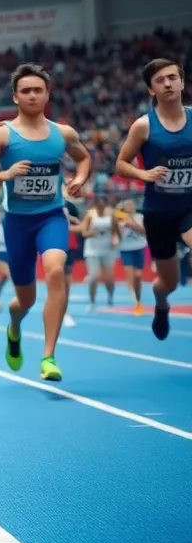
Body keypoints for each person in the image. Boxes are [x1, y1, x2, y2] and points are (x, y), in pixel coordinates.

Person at [0, 63, 90, 381]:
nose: (33, 95)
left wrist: (79, 178)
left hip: (52, 217)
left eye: (38, 90)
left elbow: (85, 157)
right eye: (26, 91)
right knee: (25, 299)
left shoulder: (63, 134)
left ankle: (48, 356)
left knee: (55, 272)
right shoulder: (3, 135)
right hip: (18, 224)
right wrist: (5, 174)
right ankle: (14, 327)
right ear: (15, 97)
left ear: (48, 94)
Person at [115, 58, 192, 341]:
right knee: (167, 283)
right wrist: (143, 173)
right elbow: (120, 164)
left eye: (173, 77)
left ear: (182, 82)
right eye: (160, 80)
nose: (168, 83)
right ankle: (161, 305)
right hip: (159, 213)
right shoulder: (143, 126)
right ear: (151, 90)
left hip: (189, 207)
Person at [80, 193, 119, 313]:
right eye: (99, 206)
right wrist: (93, 232)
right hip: (92, 250)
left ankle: (110, 298)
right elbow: (84, 233)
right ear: (95, 205)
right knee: (93, 277)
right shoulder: (90, 215)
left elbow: (115, 231)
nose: (101, 208)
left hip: (107, 249)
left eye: (103, 205)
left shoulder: (111, 214)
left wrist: (115, 239)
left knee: (109, 278)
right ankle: (92, 301)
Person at [115, 199, 148, 315]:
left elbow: (144, 231)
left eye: (132, 204)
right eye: (128, 205)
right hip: (125, 249)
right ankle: (135, 300)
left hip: (139, 247)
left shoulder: (140, 217)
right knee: (131, 275)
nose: (130, 206)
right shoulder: (119, 219)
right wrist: (120, 224)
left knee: (138, 275)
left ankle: (138, 298)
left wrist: (131, 223)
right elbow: (117, 235)